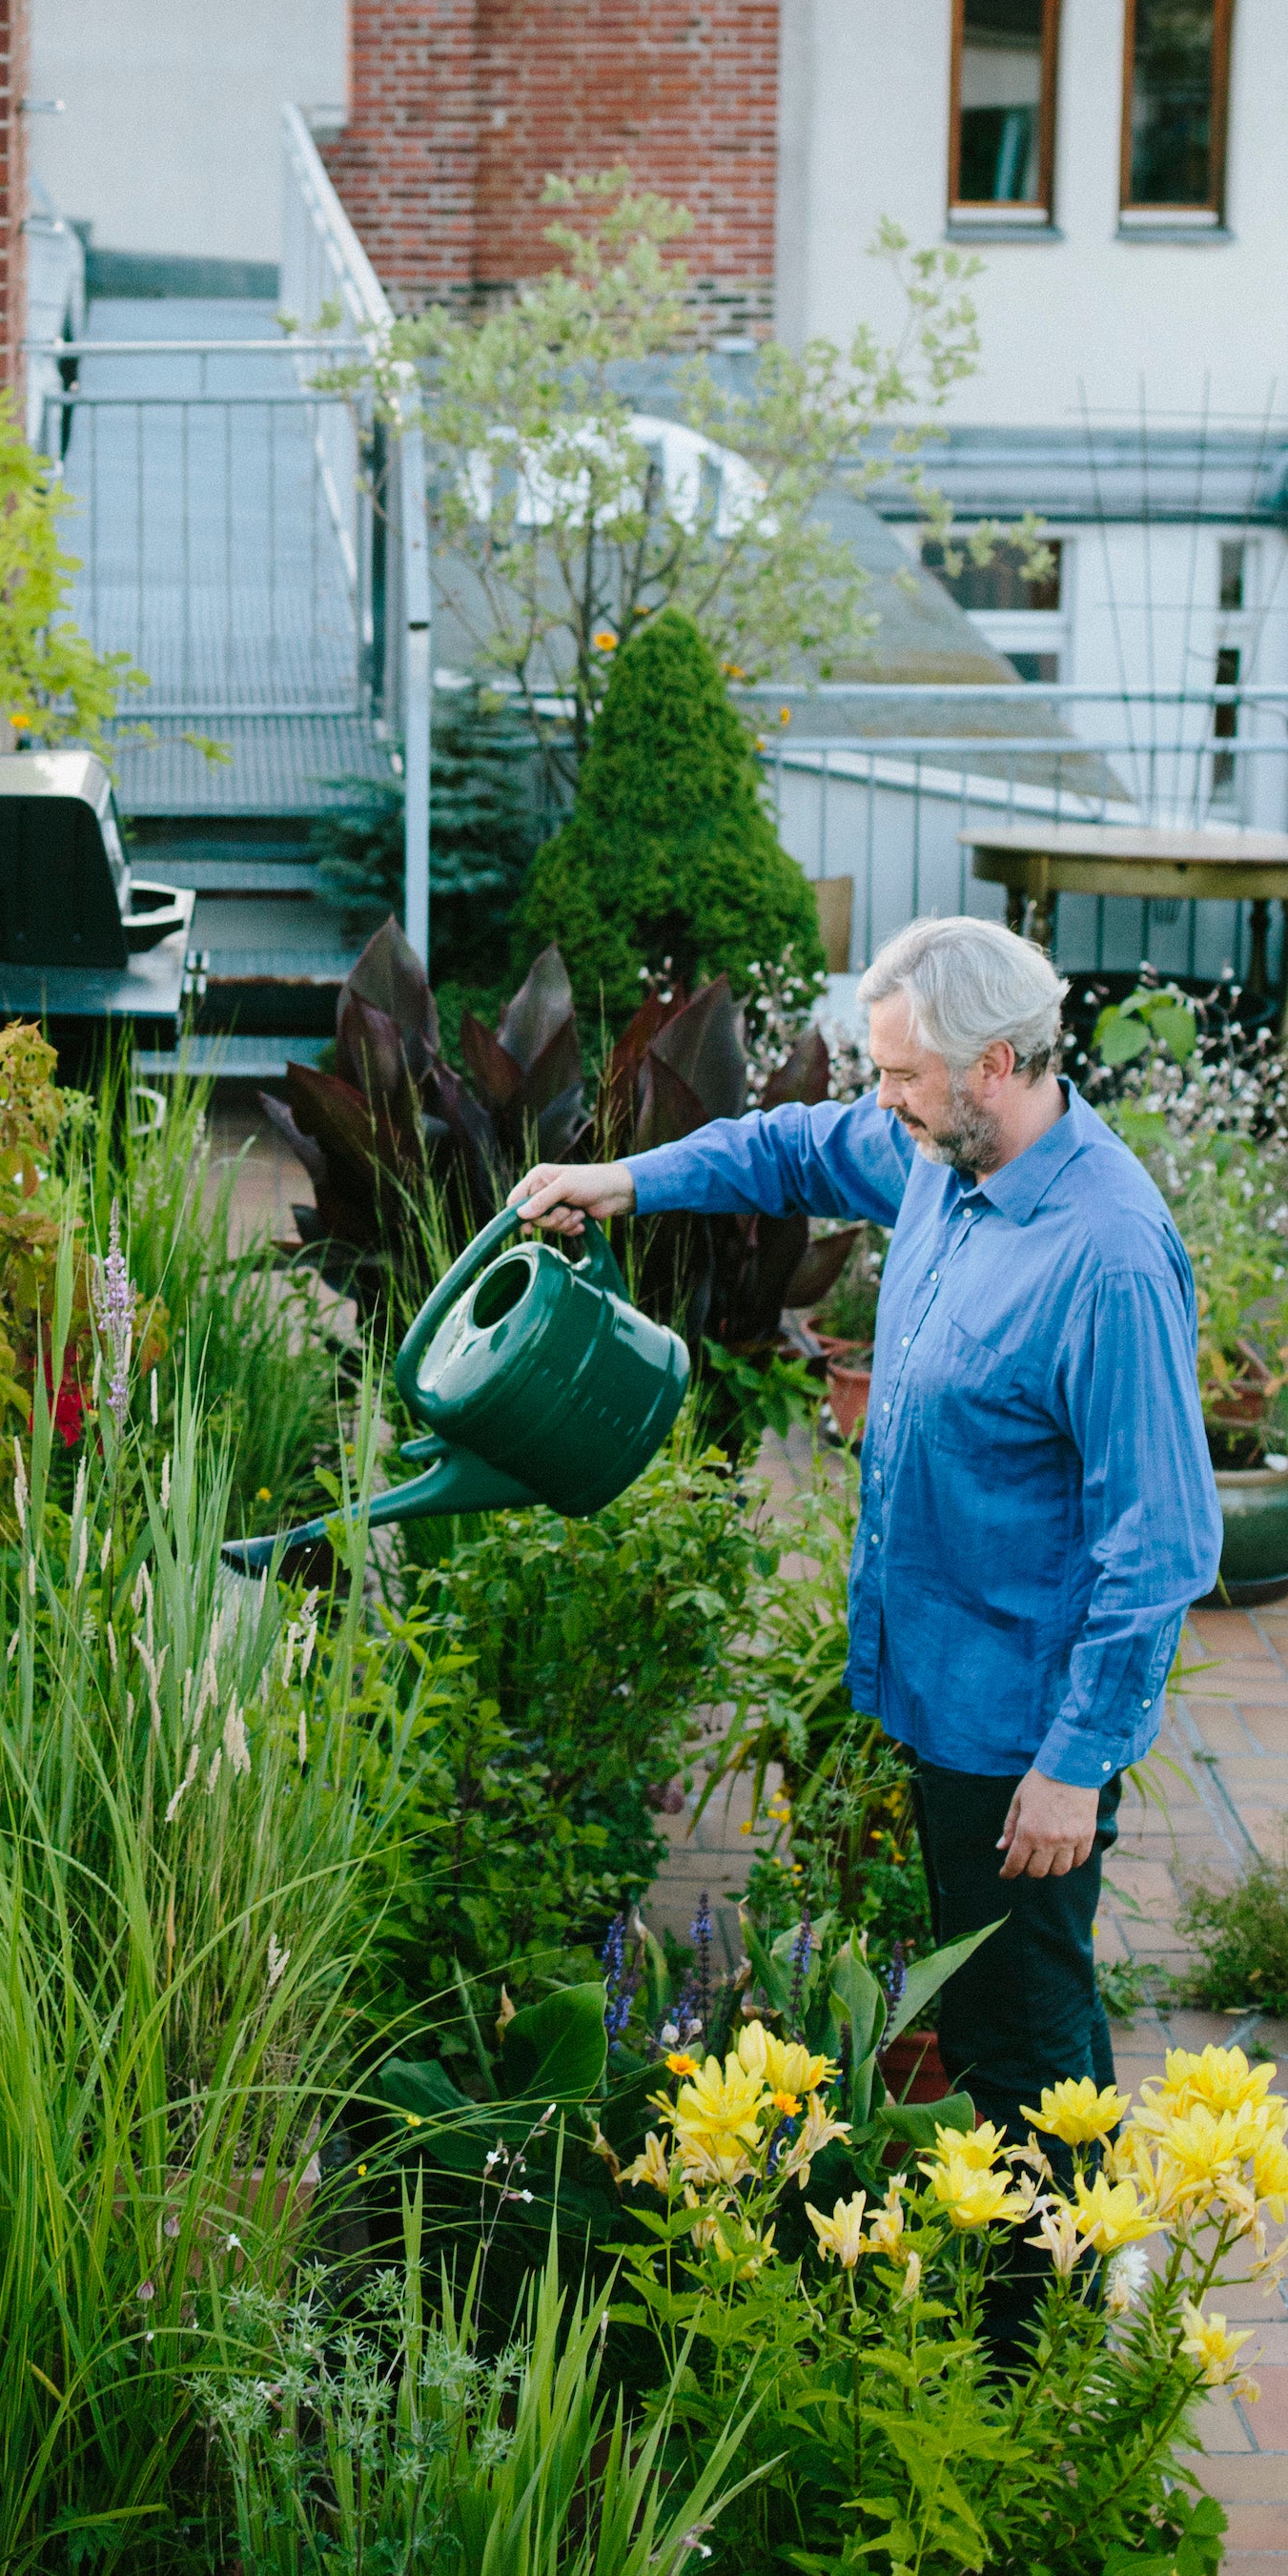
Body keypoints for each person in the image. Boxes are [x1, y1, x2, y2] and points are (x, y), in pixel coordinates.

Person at [516, 911, 1219, 2140]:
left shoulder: (1104, 1256)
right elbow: (788, 1148)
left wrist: (1073, 1766)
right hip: (941, 1691)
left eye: (900, 1074)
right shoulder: (944, 1160)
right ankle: (1047, 2275)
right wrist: (623, 1182)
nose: (881, 1096)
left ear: (995, 1063)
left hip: (1019, 1731)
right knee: (1006, 2003)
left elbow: (1158, 1545)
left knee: (1022, 2040)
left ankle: (1050, 2312)